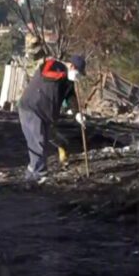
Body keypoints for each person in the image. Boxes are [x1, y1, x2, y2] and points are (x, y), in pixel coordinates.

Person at [18, 55, 85, 183]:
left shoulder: (68, 82)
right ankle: (40, 174)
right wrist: (64, 74)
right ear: (71, 66)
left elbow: (71, 97)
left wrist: (77, 113)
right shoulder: (53, 64)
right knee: (38, 141)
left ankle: (31, 175)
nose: (78, 76)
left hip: (46, 114)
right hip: (32, 107)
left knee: (41, 141)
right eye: (78, 72)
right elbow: (45, 74)